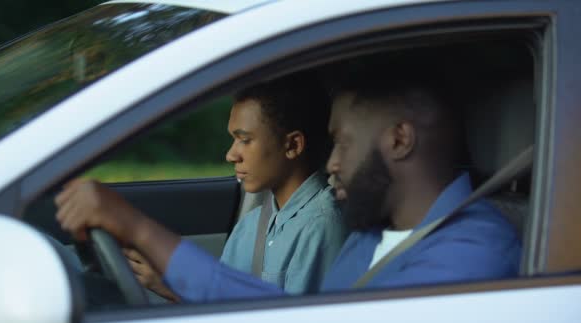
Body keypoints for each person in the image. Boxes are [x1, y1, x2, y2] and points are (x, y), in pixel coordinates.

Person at [56, 71, 520, 303]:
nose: (331, 163)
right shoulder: (371, 232)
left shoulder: (473, 253)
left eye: (342, 143)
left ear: (399, 140)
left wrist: (139, 228)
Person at [56, 74, 348, 299]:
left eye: (245, 140)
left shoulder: (322, 226)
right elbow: (225, 309)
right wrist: (167, 286)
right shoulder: (252, 226)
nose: (231, 154)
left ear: (292, 145)